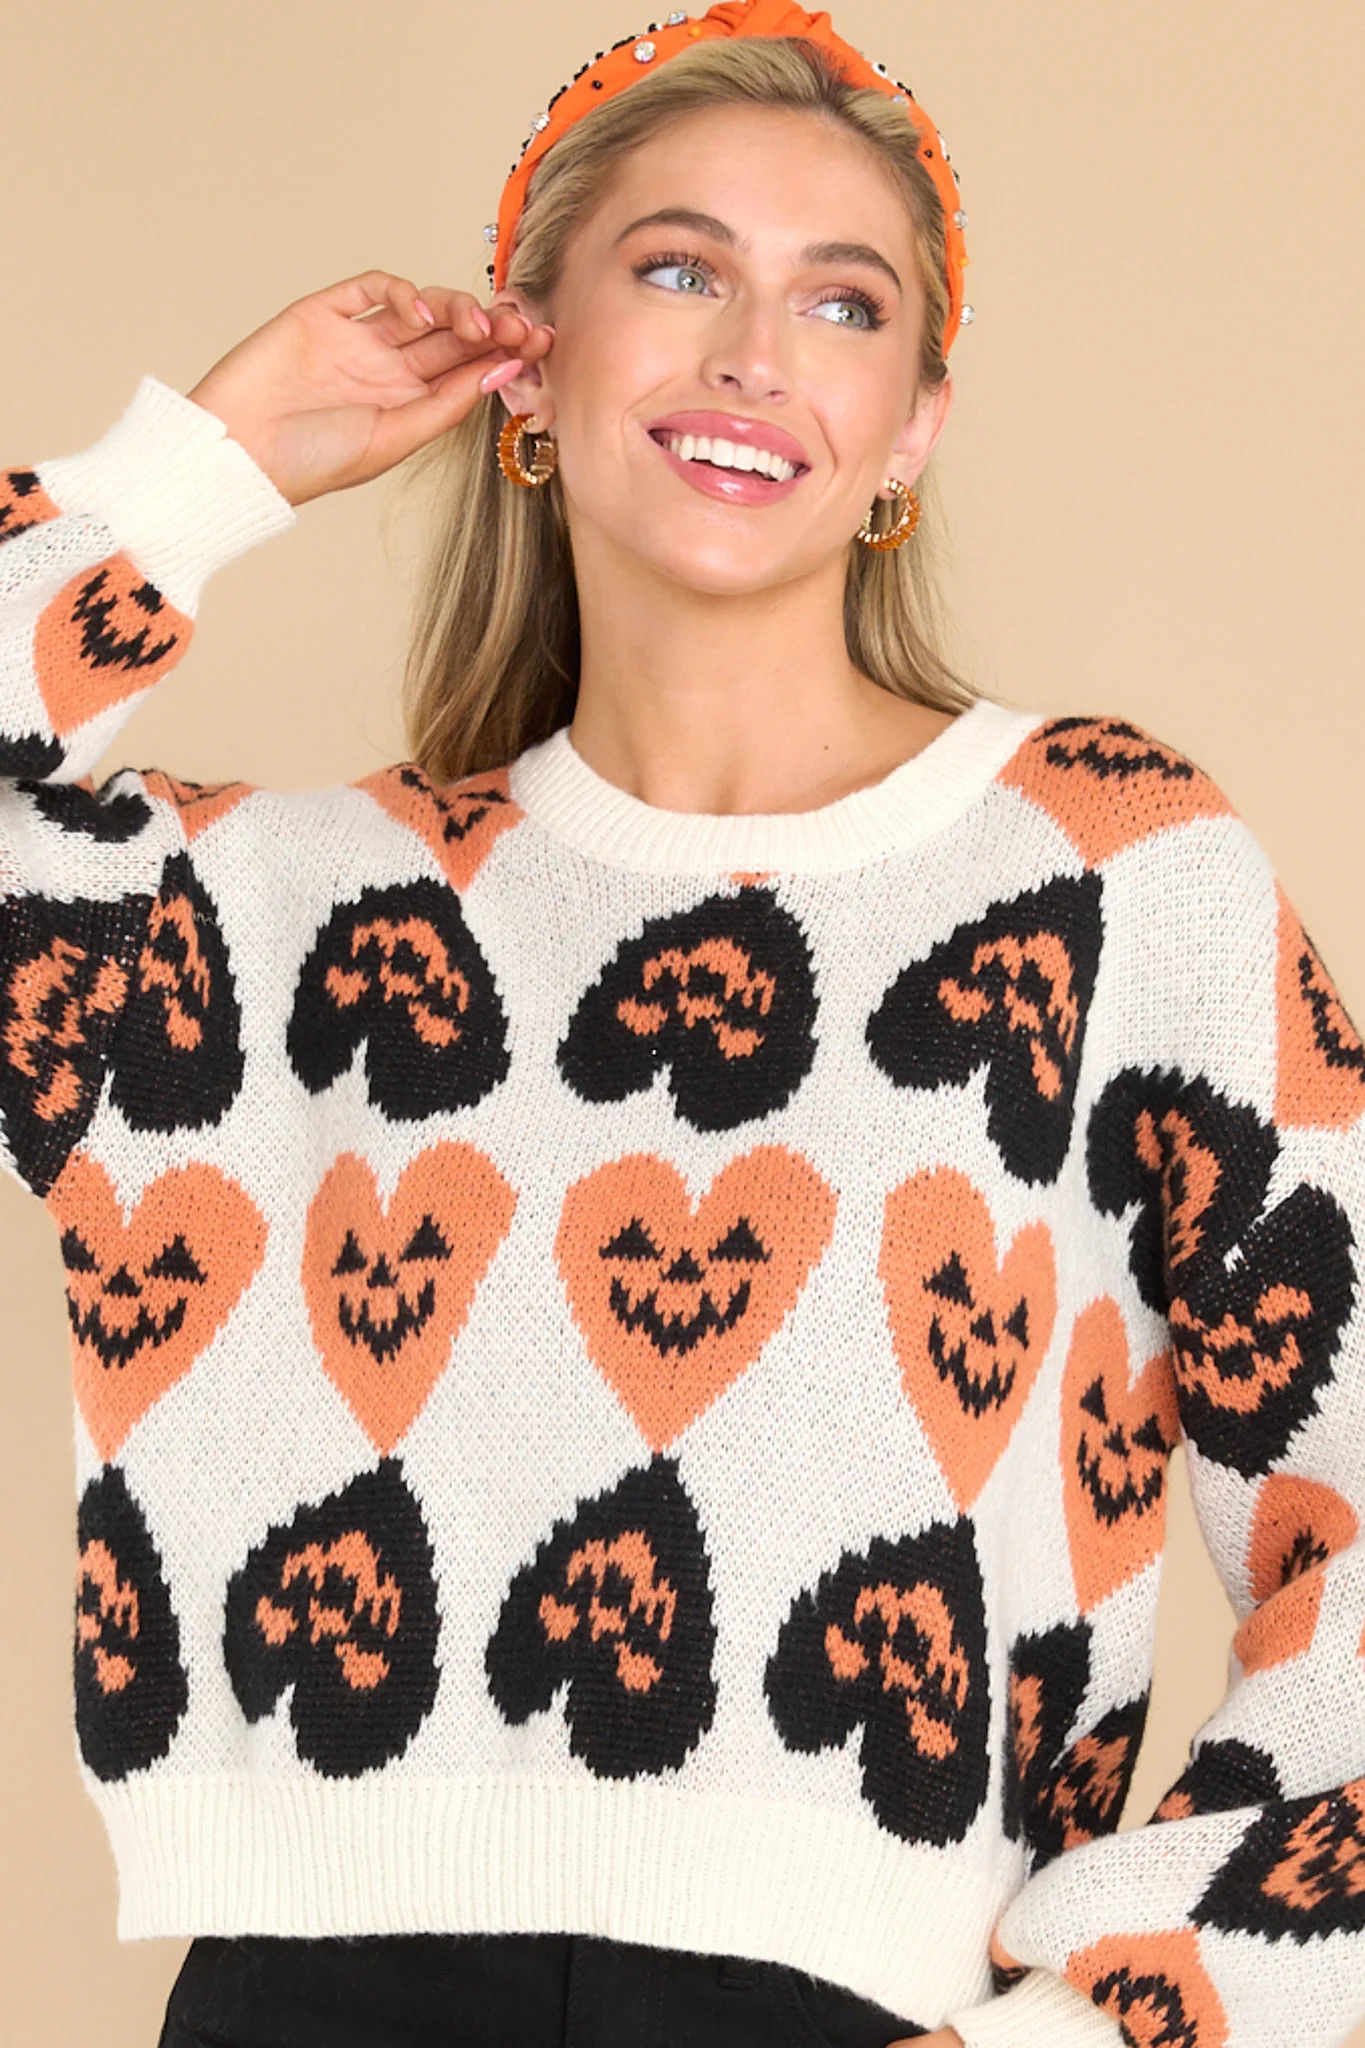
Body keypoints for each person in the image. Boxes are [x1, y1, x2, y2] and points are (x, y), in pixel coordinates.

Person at [2, 5, 1362, 2045]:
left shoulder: (1103, 871)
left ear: (910, 427)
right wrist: (203, 470)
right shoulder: (270, 915)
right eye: (675, 268)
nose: (751, 352)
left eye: (842, 301)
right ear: (526, 358)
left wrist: (1099, 2025)